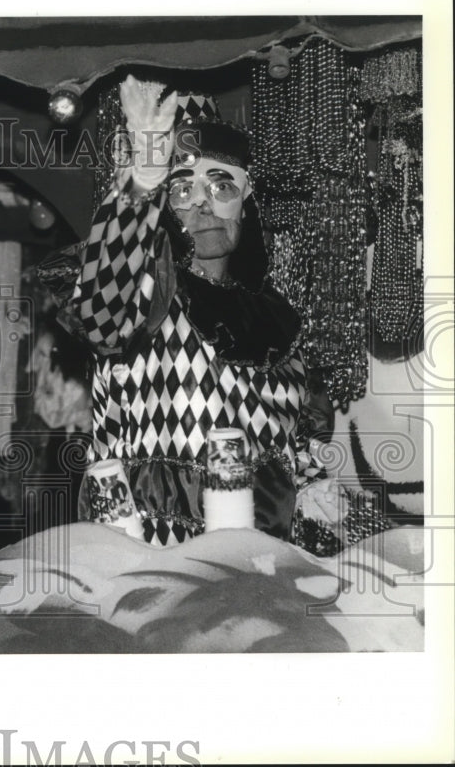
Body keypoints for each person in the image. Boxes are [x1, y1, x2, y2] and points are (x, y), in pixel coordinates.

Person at [39, 77, 330, 546]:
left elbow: (296, 449)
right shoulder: (149, 290)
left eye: (222, 185)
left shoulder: (281, 318)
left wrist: (318, 492)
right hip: (153, 557)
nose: (202, 203)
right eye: (181, 189)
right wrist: (143, 180)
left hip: (262, 567)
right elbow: (97, 311)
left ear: (245, 198)